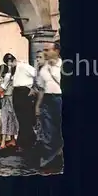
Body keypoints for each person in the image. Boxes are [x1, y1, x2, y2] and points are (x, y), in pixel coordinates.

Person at [35, 42, 63, 173]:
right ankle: (48, 161)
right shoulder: (43, 69)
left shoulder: (64, 65)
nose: (45, 52)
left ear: (56, 51)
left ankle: (60, 156)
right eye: (44, 50)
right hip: (47, 100)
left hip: (61, 99)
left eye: (48, 49)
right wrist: (38, 105)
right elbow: (41, 88)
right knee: (48, 132)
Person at [3, 53, 37, 153]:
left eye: (10, 62)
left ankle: (24, 143)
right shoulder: (12, 71)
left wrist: (34, 88)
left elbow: (37, 75)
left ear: (14, 60)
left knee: (25, 118)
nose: (9, 65)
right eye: (7, 63)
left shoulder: (24, 66)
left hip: (24, 91)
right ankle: (30, 140)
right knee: (20, 118)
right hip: (16, 92)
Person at [0, 64, 19, 150]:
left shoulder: (7, 76)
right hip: (12, 98)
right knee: (12, 119)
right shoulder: (13, 76)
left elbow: (2, 88)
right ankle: (12, 139)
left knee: (4, 119)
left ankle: (3, 142)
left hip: (7, 99)